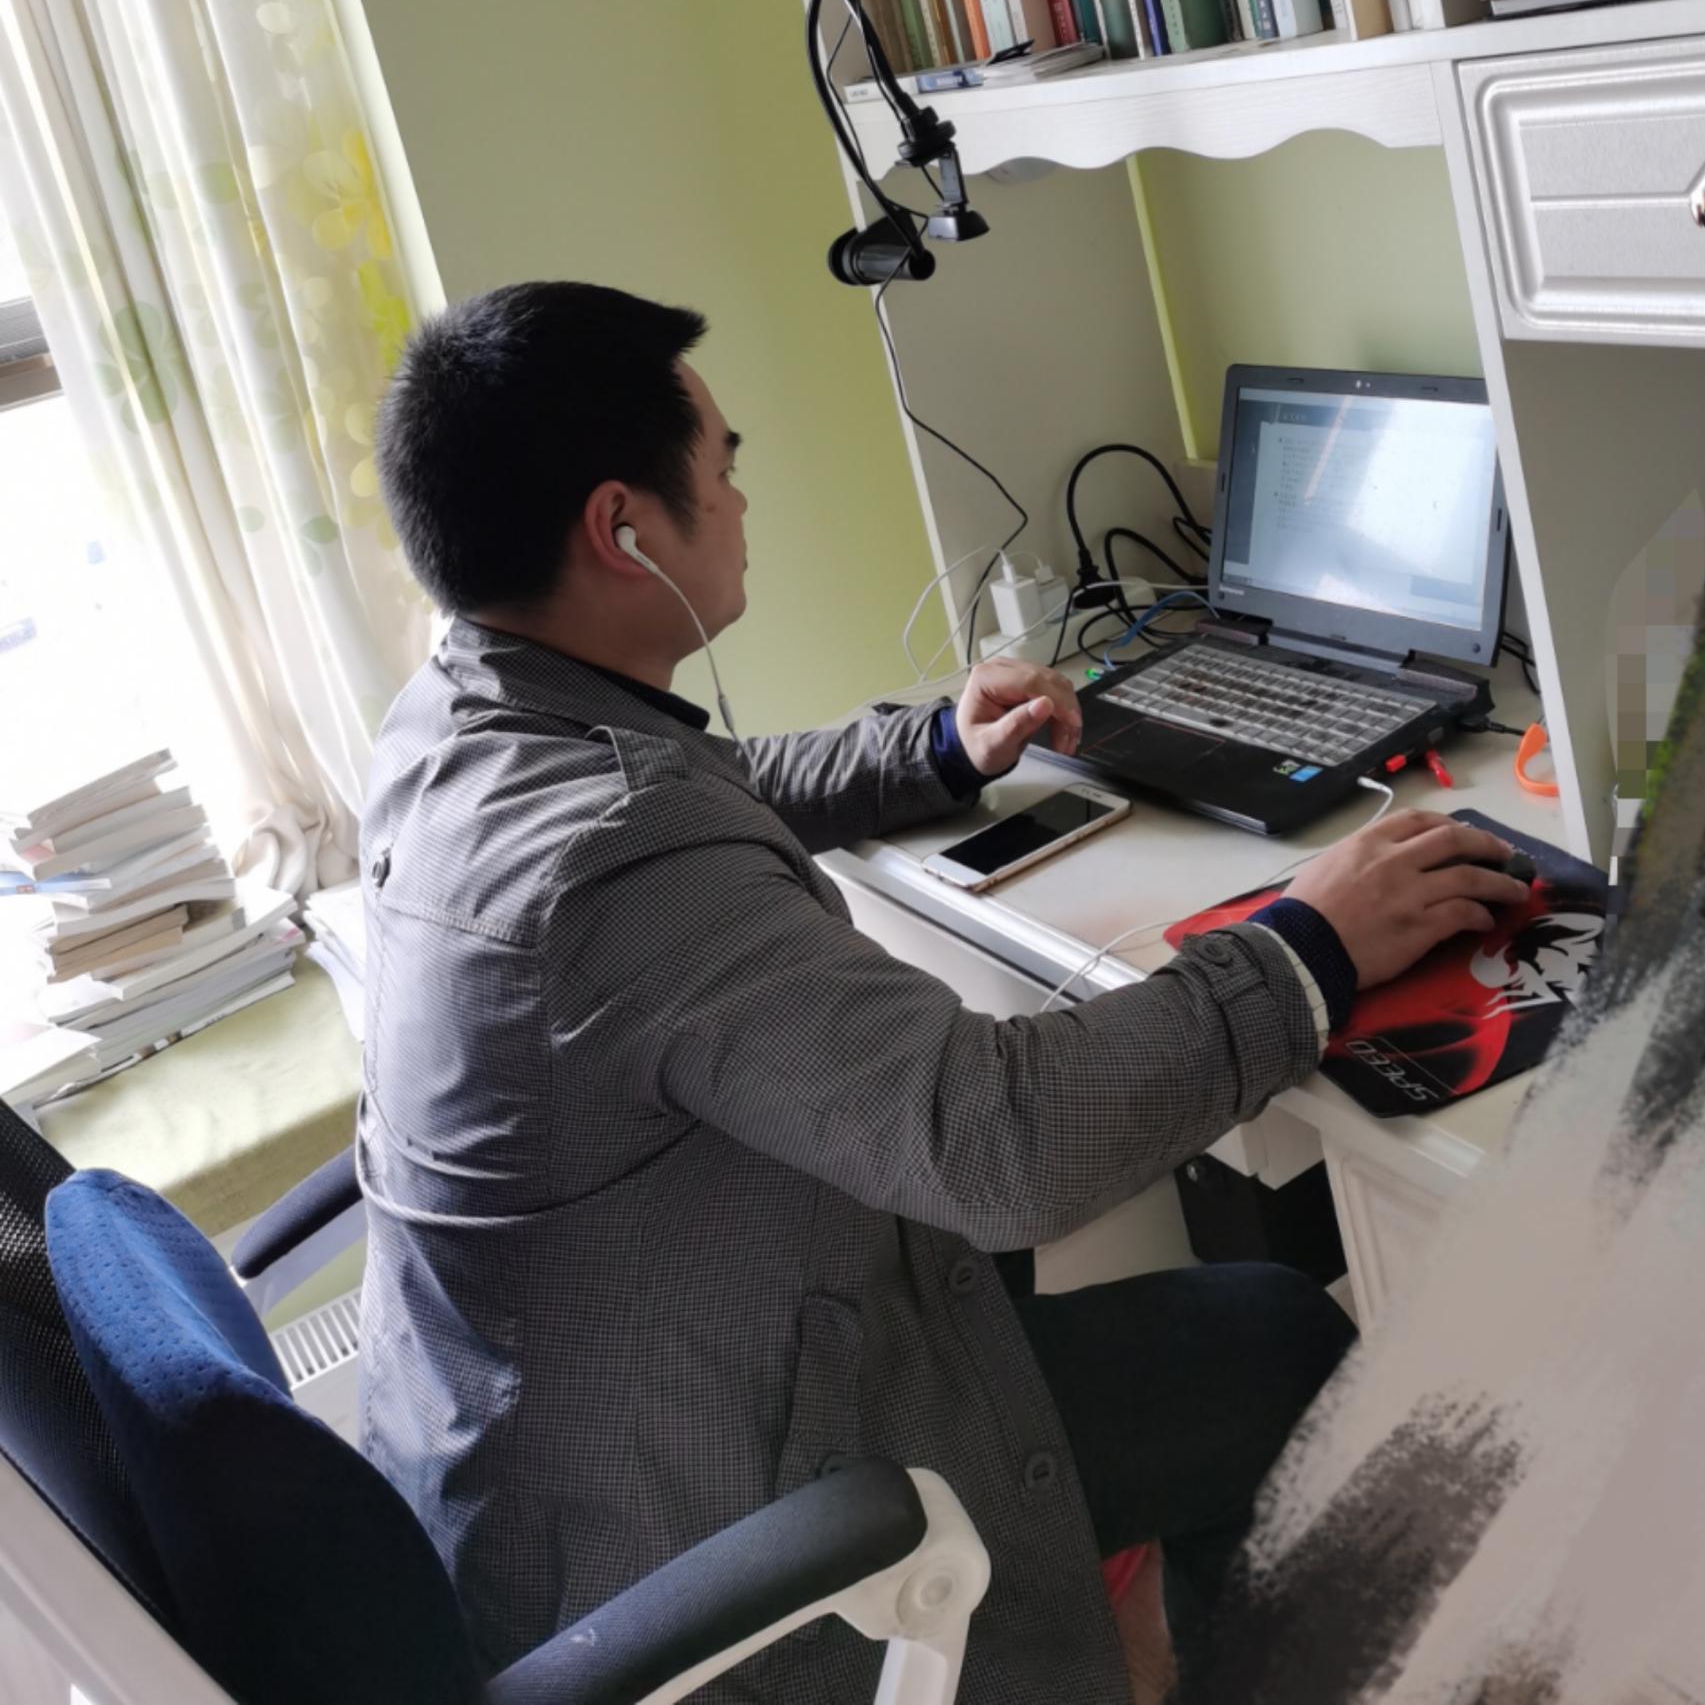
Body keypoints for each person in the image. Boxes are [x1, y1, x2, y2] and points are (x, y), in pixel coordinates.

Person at [359, 281, 1531, 1704]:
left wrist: (933, 749)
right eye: (723, 468)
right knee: (1279, 1343)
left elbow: (707, 788)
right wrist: (1310, 947)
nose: (742, 500)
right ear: (625, 530)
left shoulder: (459, 730)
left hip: (551, 1473)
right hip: (701, 1533)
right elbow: (1004, 1145)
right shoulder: (612, 856)